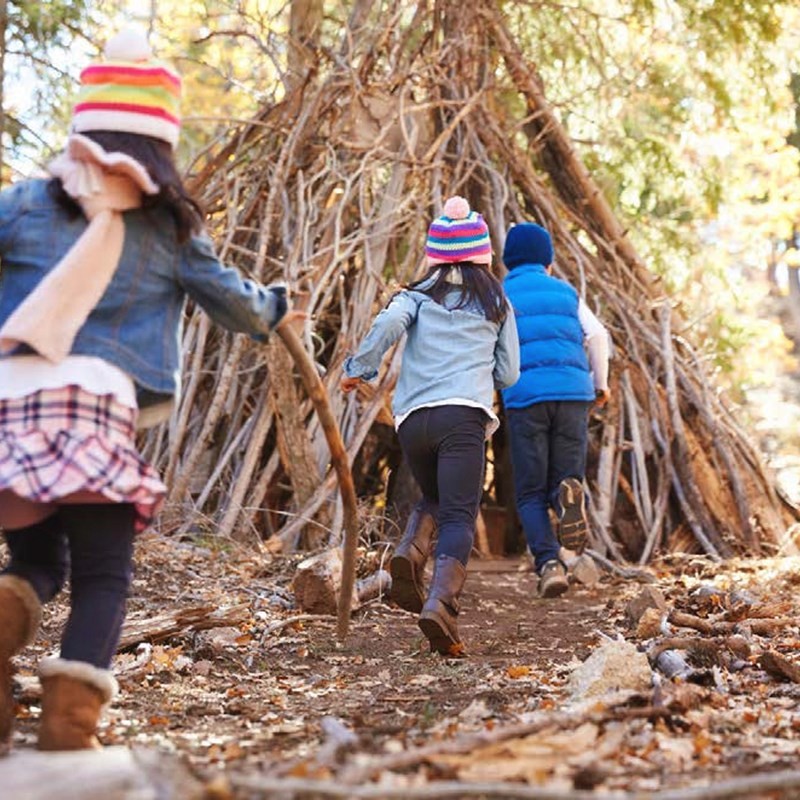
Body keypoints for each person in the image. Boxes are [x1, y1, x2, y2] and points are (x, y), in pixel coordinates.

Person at [0, 27, 298, 752]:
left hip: (11, 403)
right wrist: (277, 304)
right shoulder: (168, 229)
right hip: (94, 407)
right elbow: (237, 306)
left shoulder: (24, 203)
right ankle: (69, 726)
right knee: (103, 574)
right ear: (160, 145)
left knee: (36, 565)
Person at [341, 196, 519, 656]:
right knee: (460, 513)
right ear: (482, 255)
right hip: (463, 417)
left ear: (435, 255)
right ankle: (440, 603)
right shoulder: (497, 301)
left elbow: (387, 325)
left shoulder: (415, 296)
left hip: (412, 420)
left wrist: (358, 369)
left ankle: (409, 553)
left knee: (436, 499)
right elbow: (510, 373)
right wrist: (484, 373)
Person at [501, 222, 610, 599]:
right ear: (548, 261)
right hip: (573, 394)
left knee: (529, 491)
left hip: (525, 397)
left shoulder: (502, 294)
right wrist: (600, 383)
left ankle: (548, 564)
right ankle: (566, 495)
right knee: (565, 478)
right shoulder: (566, 292)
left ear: (507, 261)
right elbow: (597, 335)